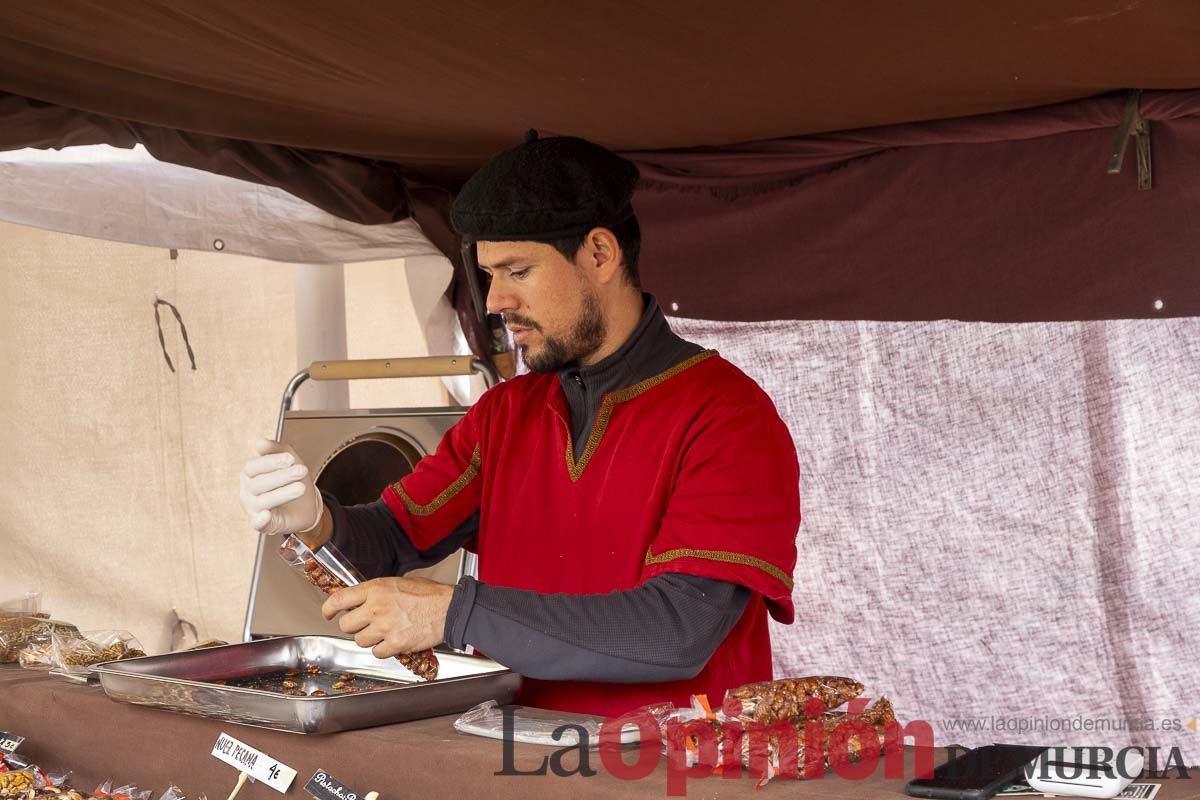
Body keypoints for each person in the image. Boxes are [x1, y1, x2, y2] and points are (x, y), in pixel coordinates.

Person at [239, 133, 801, 718]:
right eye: (487, 274)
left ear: (601, 255)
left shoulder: (729, 417)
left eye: (518, 270)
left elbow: (678, 630)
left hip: (673, 773)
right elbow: (388, 542)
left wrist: (453, 613)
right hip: (517, 762)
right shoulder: (503, 415)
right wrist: (314, 520)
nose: (493, 301)